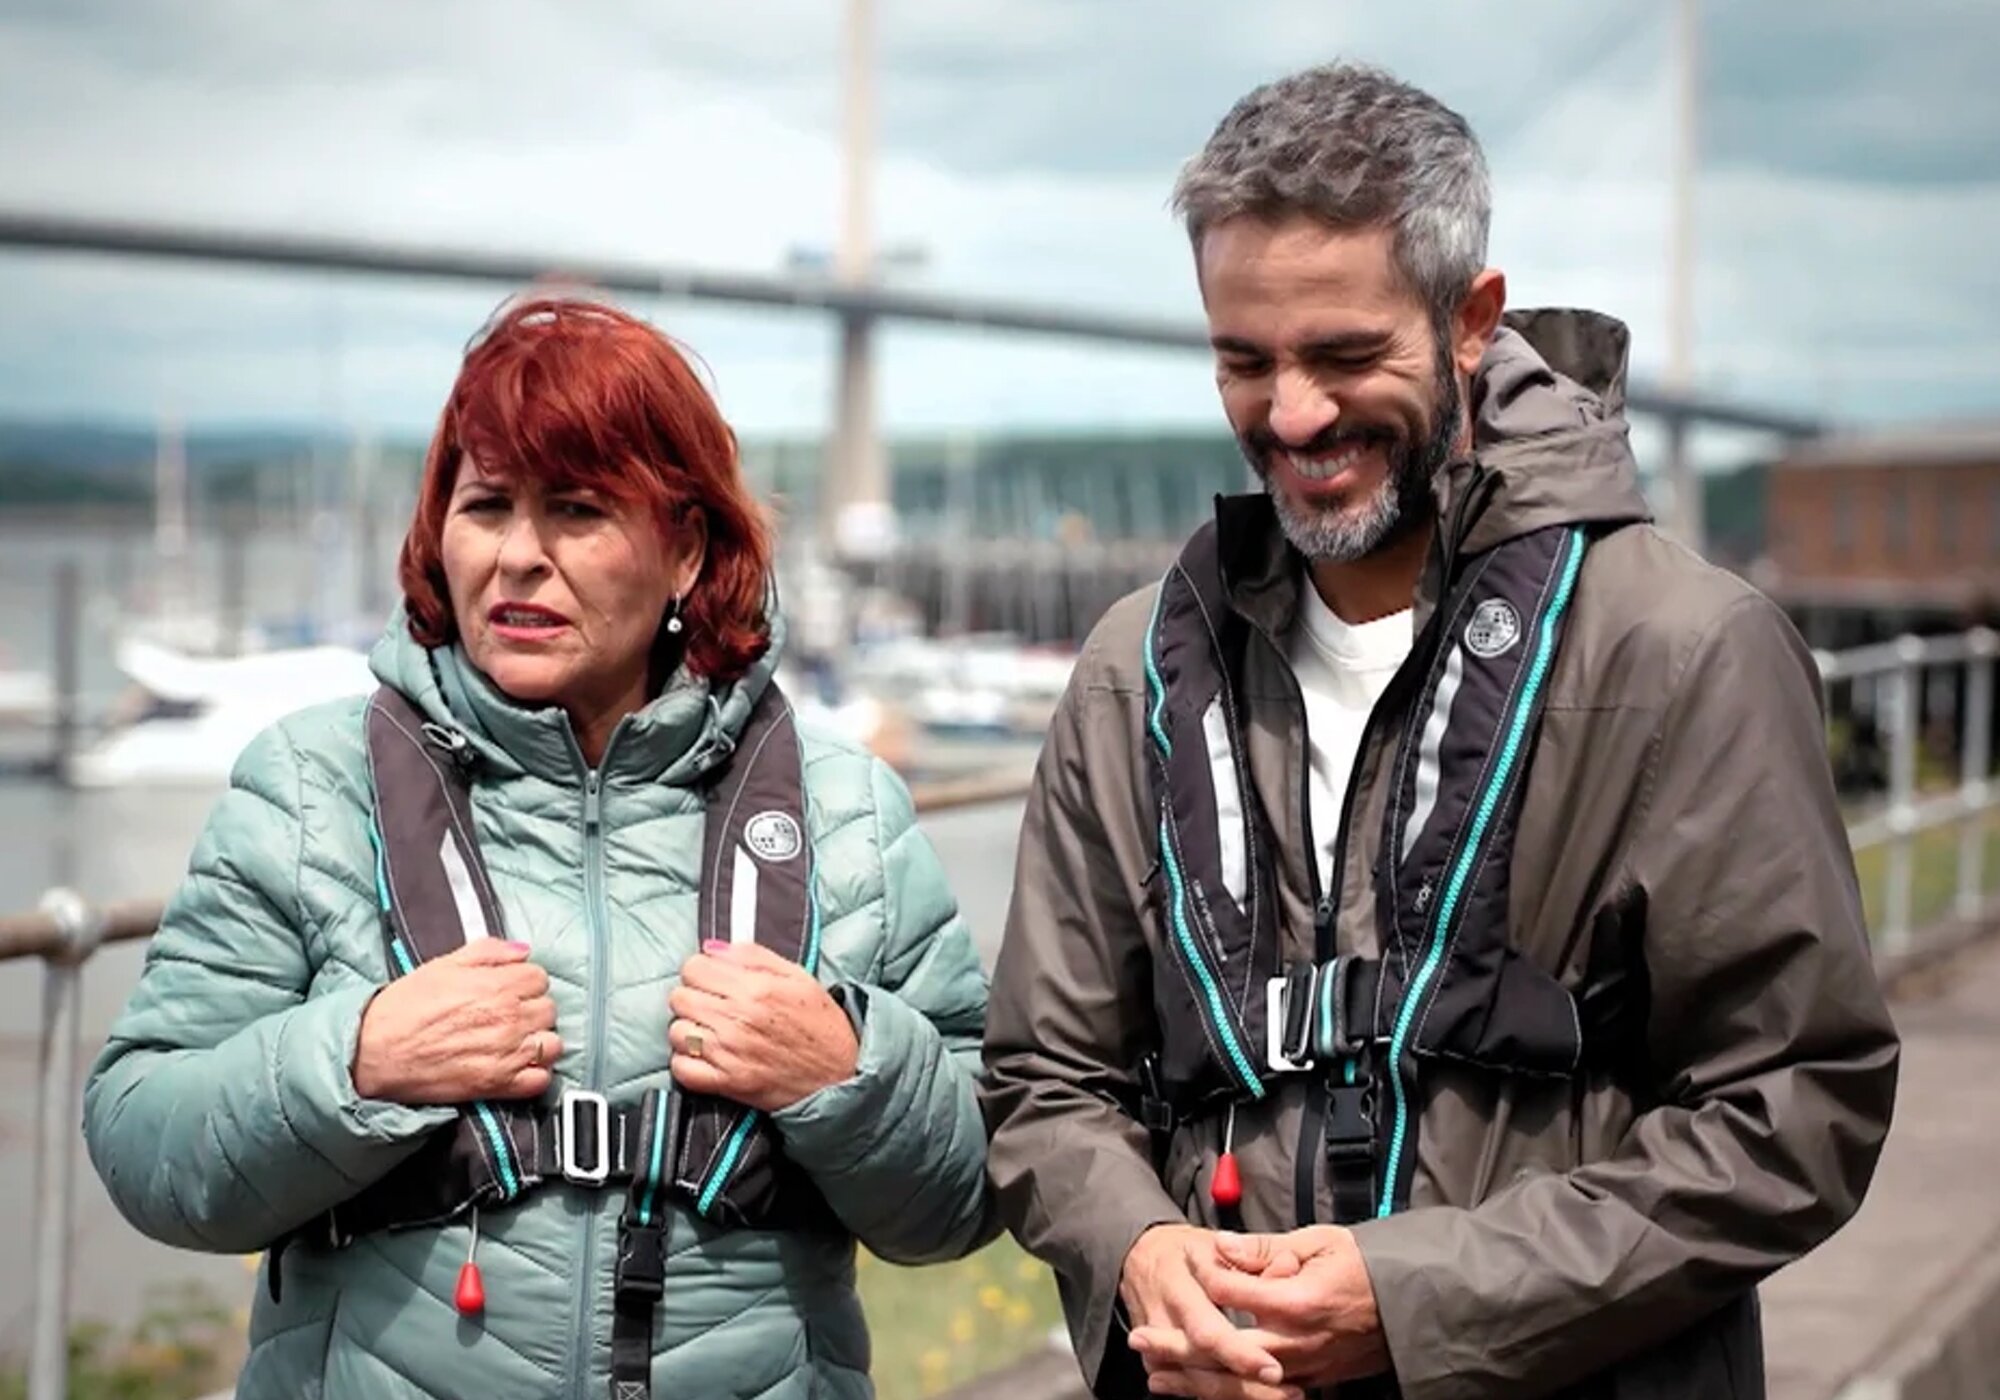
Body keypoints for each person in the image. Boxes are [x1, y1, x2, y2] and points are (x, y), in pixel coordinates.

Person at [981, 62, 1898, 1400]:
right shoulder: (1133, 669)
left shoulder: (1686, 651)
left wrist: (1413, 1302)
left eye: (1345, 356)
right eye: (1244, 360)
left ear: (1470, 322)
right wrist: (1140, 1248)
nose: (1292, 415)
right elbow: (1044, 1080)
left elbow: (1798, 1107)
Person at [84, 295, 992, 1400]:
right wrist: (355, 1060)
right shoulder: (311, 788)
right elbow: (141, 1140)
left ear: (685, 549)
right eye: (486, 505)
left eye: (575, 509)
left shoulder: (844, 813)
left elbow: (967, 1196)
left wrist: (849, 1073)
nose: (518, 556)